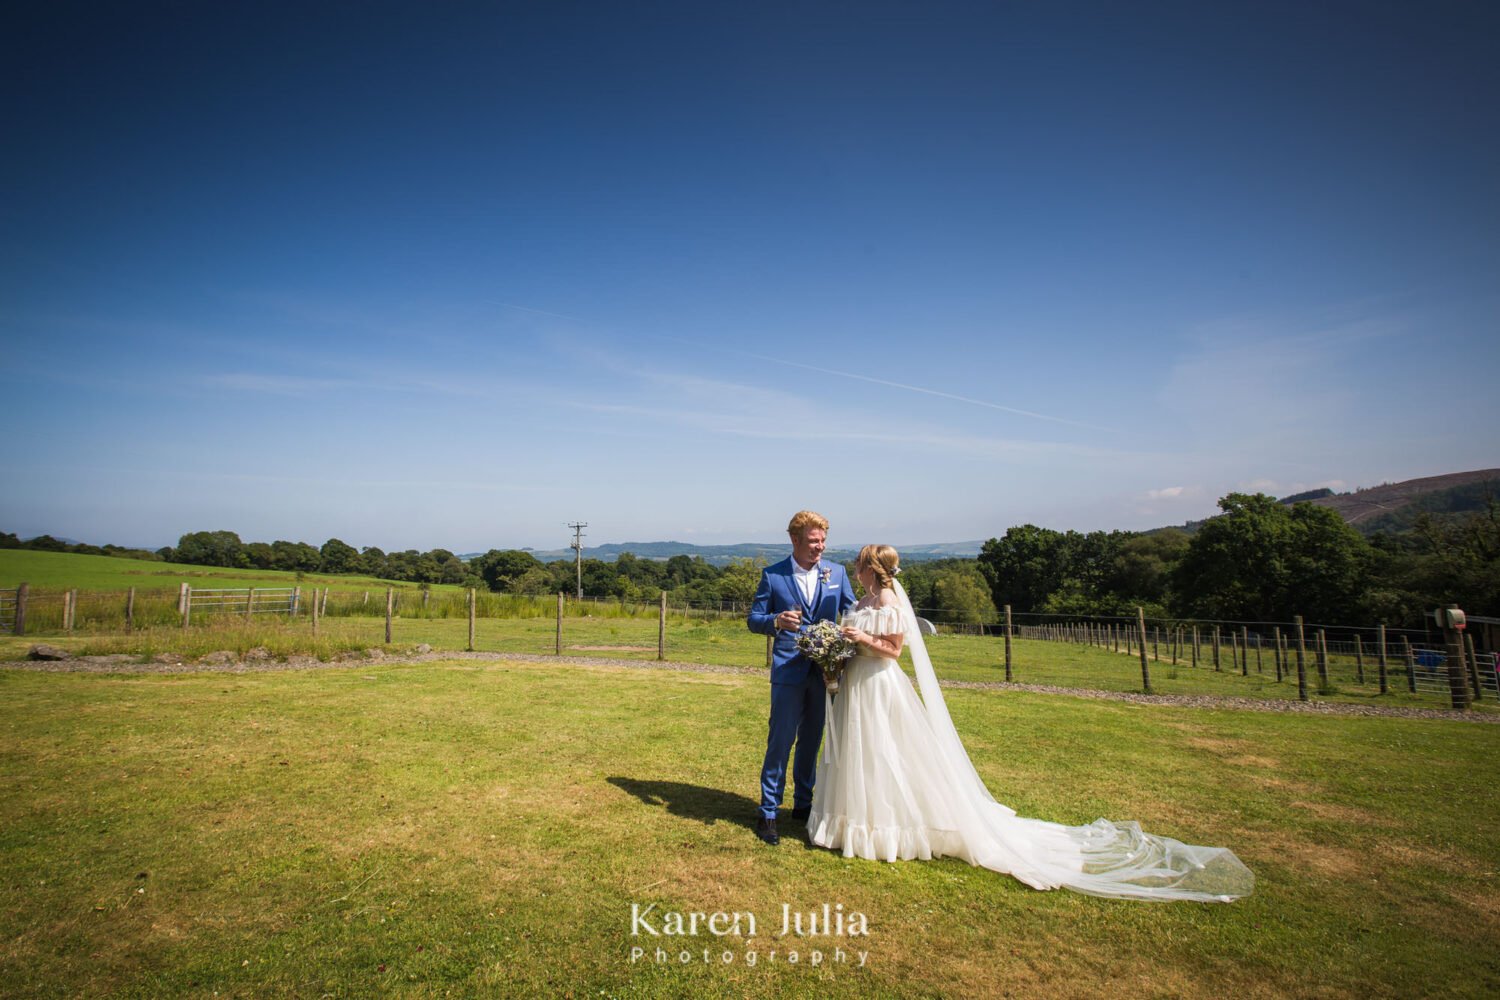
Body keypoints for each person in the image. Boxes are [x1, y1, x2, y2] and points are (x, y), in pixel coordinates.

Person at [809, 544, 1254, 902]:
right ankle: (853, 820)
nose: (855, 569)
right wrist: (837, 650)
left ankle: (890, 828)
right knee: (860, 752)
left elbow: (894, 650)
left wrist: (861, 637)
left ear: (874, 569)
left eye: (860, 564)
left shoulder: (887, 600)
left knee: (889, 754)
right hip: (856, 685)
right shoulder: (864, 598)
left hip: (882, 684)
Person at [746, 511, 857, 846]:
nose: (819, 547)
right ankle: (768, 811)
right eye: (812, 541)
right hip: (788, 668)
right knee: (780, 741)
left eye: (822, 540)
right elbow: (754, 619)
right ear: (794, 540)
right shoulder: (773, 575)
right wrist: (776, 621)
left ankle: (804, 804)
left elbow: (854, 610)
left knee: (812, 739)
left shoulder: (836, 572)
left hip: (824, 672)